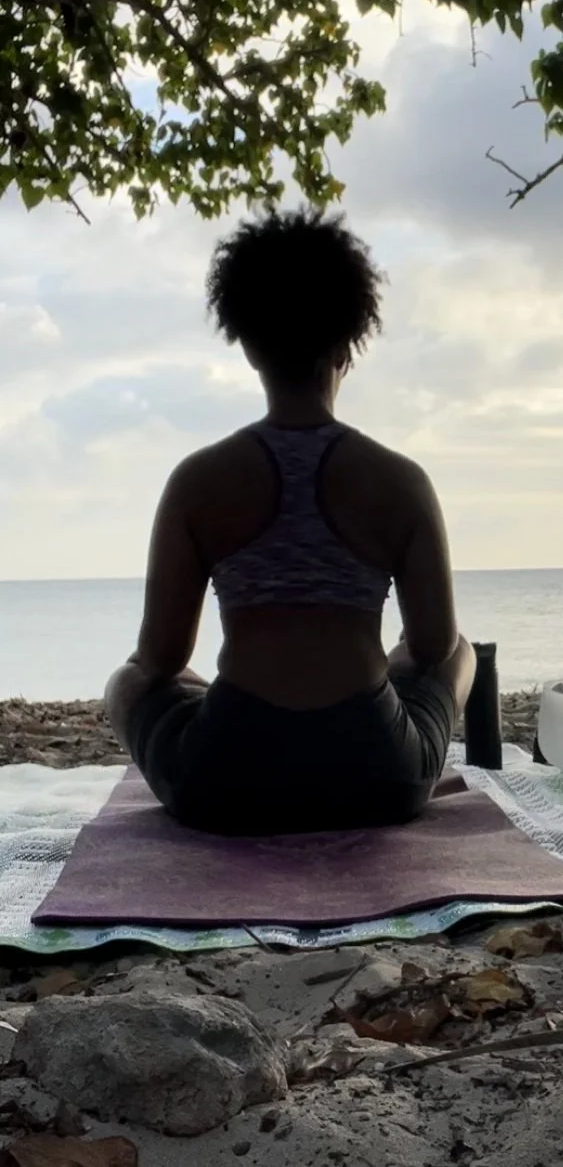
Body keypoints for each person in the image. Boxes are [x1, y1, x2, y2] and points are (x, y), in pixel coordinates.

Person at [104, 208, 476, 836]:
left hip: (225, 782)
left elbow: (162, 658)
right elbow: (434, 647)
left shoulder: (198, 482)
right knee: (460, 653)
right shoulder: (400, 481)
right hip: (378, 777)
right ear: (350, 341)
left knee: (127, 682)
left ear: (247, 345)